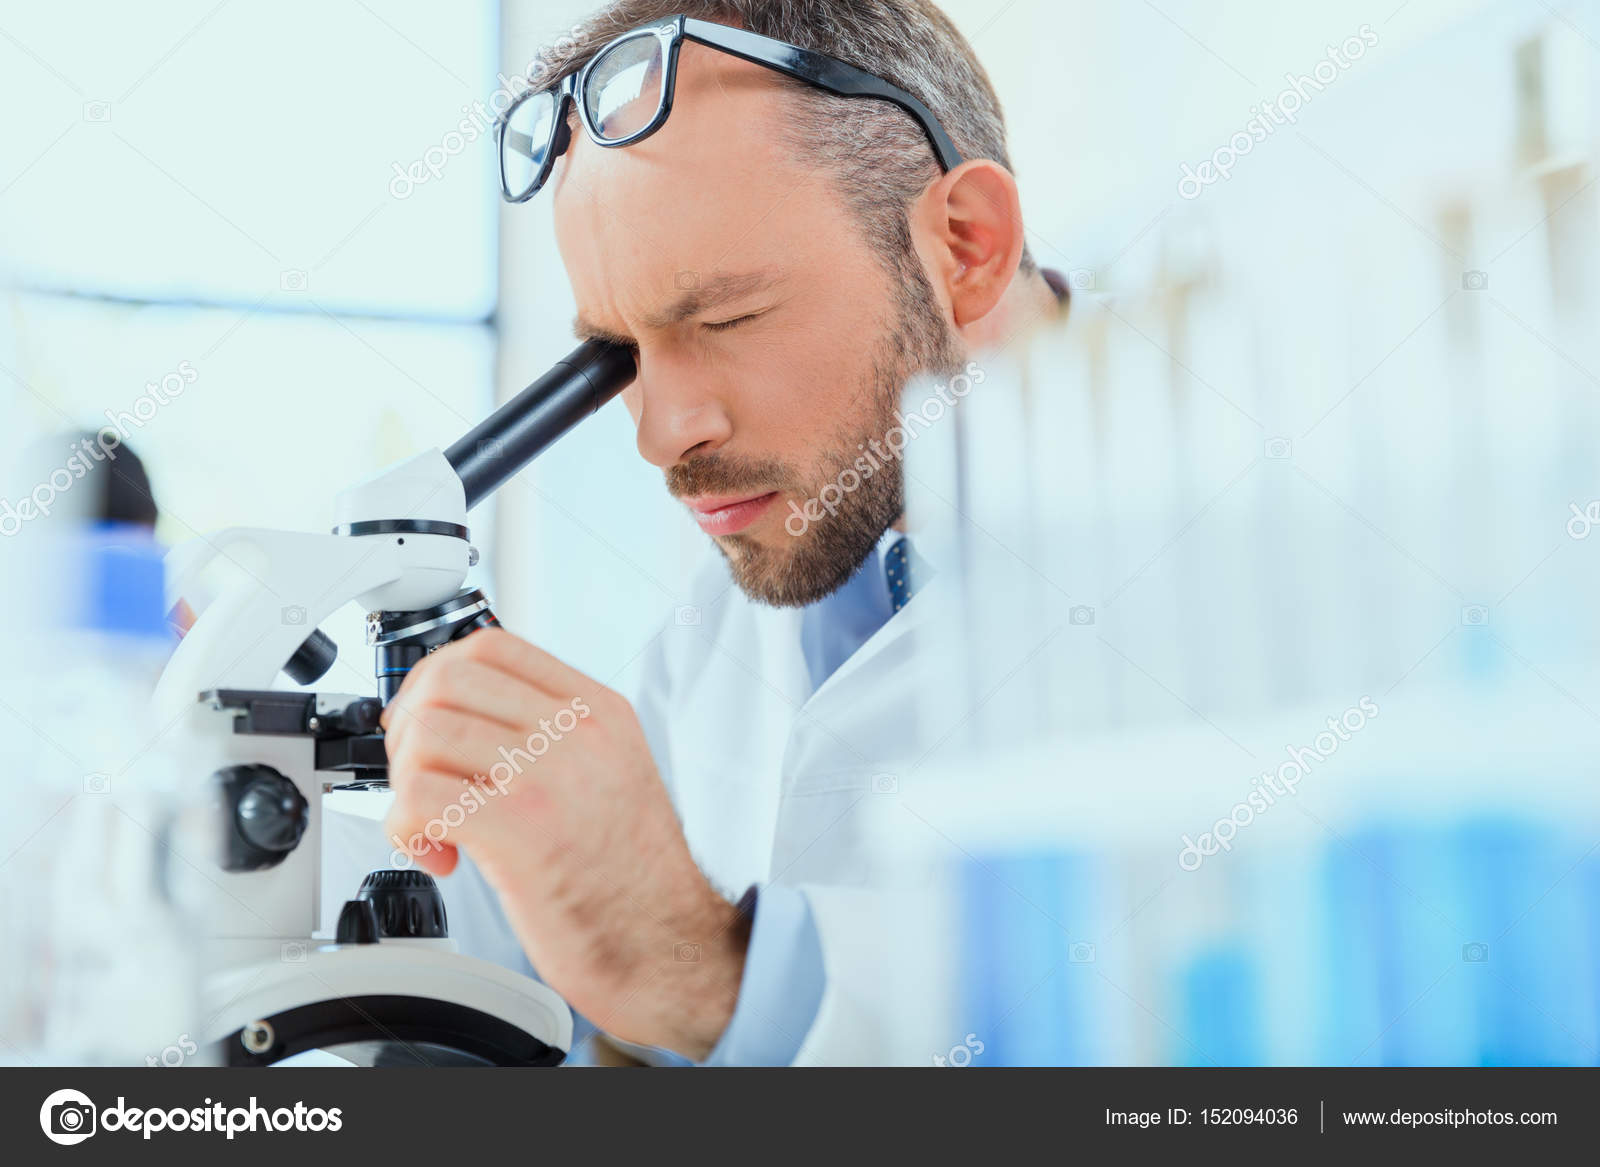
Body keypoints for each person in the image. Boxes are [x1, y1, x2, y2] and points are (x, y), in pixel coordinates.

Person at [375, 0, 1067, 1064]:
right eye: (617, 352)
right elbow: (542, 963)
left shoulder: (1238, 545)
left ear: (965, 247)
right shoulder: (747, 606)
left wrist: (711, 973)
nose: (660, 434)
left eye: (725, 319)